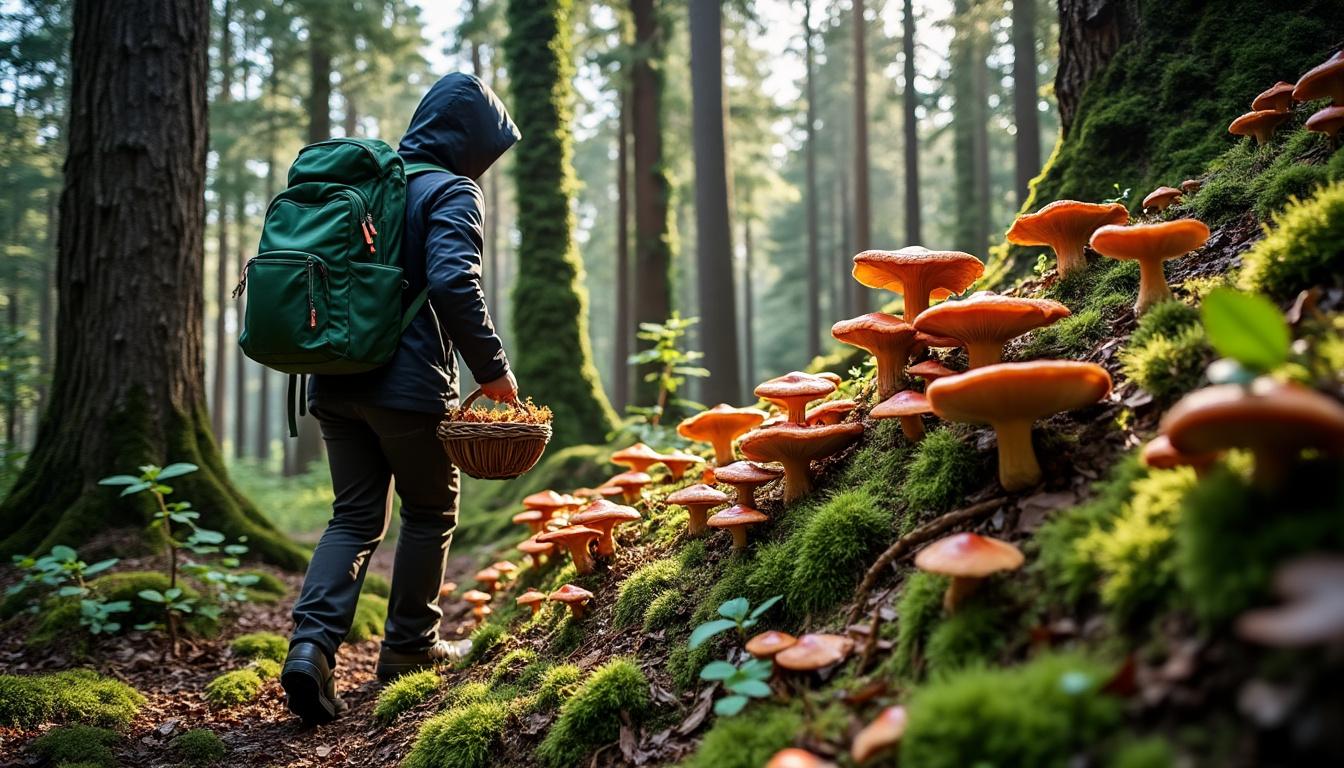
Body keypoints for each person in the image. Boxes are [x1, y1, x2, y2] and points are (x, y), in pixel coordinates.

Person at [279, 73, 520, 725]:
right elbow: (450, 278)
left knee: (354, 518)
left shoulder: (368, 186)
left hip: (332, 378)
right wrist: (493, 369)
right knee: (429, 509)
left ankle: (310, 648)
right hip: (407, 386)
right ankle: (410, 649)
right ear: (466, 142)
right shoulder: (451, 190)